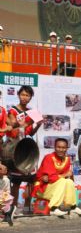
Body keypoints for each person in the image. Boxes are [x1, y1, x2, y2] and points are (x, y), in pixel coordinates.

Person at [6, 85, 43, 213]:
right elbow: (11, 125)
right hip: (15, 148)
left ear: (30, 97)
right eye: (23, 94)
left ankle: (27, 206)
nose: (24, 97)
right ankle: (13, 208)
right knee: (15, 182)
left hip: (27, 148)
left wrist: (38, 125)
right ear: (18, 95)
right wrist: (20, 123)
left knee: (31, 179)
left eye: (27, 95)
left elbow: (31, 133)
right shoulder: (13, 111)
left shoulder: (31, 112)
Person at [33, 138, 81, 217]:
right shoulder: (49, 157)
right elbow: (50, 178)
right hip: (42, 188)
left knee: (69, 182)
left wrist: (65, 176)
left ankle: (72, 207)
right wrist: (64, 175)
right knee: (62, 180)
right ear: (55, 147)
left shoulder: (67, 159)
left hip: (55, 187)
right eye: (58, 147)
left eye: (63, 148)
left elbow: (64, 177)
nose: (61, 150)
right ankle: (53, 208)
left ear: (66, 148)